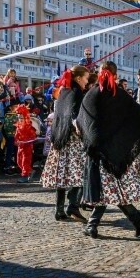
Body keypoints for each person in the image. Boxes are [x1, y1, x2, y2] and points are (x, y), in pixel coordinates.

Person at [76, 61, 140, 238]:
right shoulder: (120, 95)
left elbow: (81, 121)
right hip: (115, 152)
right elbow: (139, 115)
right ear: (114, 75)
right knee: (114, 190)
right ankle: (137, 220)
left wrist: (90, 139)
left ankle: (94, 225)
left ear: (99, 73)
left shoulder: (91, 94)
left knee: (106, 190)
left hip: (98, 153)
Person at [42, 66, 90, 222]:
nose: (87, 81)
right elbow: (75, 114)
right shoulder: (76, 92)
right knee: (81, 172)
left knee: (62, 175)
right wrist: (81, 128)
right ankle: (73, 207)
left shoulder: (63, 91)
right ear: (78, 78)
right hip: (72, 139)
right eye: (86, 78)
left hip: (60, 138)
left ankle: (59, 210)